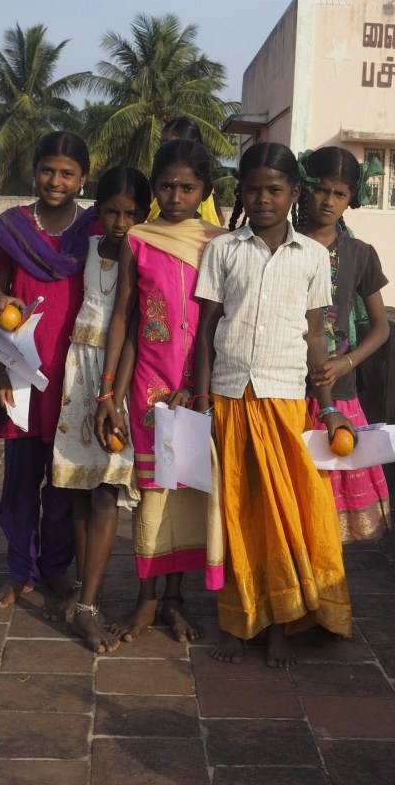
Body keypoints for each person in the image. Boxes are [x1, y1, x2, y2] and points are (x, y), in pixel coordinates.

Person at [194, 141, 354, 668]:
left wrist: (326, 407)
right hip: (229, 393)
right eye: (253, 190)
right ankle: (239, 620)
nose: (263, 199)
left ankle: (281, 624)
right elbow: (206, 328)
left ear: (294, 194)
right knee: (237, 510)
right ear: (241, 192)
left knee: (285, 512)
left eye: (274, 190)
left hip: (285, 396)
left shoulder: (312, 256)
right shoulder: (223, 250)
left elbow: (316, 334)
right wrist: (201, 396)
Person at [95, 138, 225, 642]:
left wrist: (197, 387)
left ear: (205, 191)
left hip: (200, 389)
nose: (176, 196)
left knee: (187, 492)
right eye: (167, 186)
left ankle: (174, 599)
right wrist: (109, 392)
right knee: (153, 495)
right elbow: (124, 320)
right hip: (149, 389)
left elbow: (218, 324)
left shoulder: (218, 244)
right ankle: (145, 600)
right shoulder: (139, 239)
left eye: (188, 187)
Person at [0, 131, 95, 609]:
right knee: (21, 479)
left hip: (75, 375)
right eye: (48, 170)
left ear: (83, 178)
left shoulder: (94, 228)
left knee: (65, 481)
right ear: (35, 171)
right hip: (23, 372)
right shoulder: (10, 228)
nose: (55, 181)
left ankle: (54, 569)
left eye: (67, 173)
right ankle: (19, 571)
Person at [51, 166, 152, 652]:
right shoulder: (84, 247)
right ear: (98, 209)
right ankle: (81, 588)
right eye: (112, 212)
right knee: (79, 485)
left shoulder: (145, 254)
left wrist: (112, 395)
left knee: (109, 488)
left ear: (145, 214)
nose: (121, 222)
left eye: (131, 214)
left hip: (118, 379)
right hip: (79, 369)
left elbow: (130, 327)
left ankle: (90, 604)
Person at [297, 146, 391, 542]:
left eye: (340, 194)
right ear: (304, 188)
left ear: (352, 198)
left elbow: (381, 327)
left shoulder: (360, 254)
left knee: (329, 505)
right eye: (321, 190)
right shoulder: (282, 245)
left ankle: (326, 578)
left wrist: (347, 362)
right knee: (293, 499)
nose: (329, 201)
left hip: (339, 392)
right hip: (285, 388)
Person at [147, 117, 224, 226]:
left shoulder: (202, 200)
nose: (176, 199)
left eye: (187, 188)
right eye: (162, 145)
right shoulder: (162, 196)